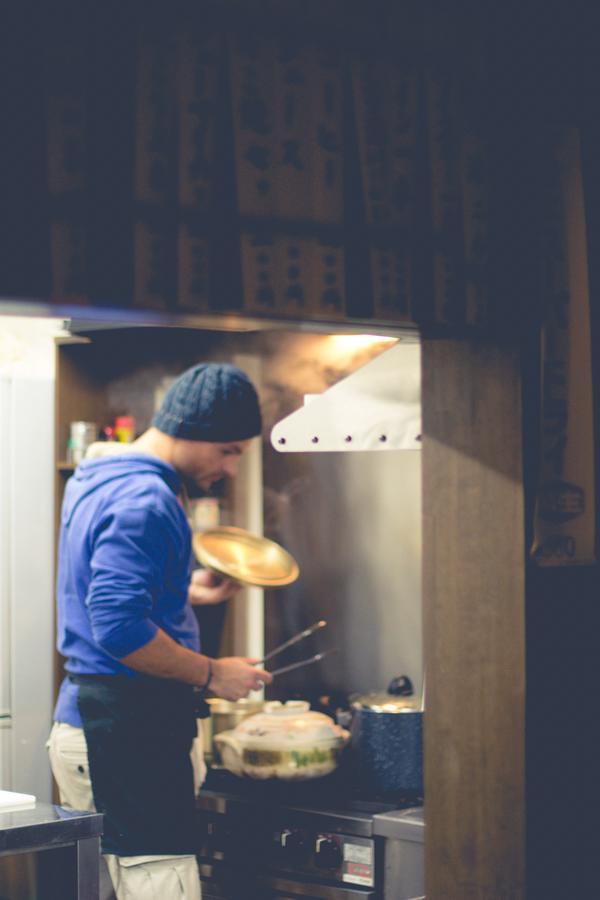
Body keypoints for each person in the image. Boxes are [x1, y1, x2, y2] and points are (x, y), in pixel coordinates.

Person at [47, 362, 273, 900]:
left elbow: (93, 588)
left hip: (96, 721)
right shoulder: (146, 500)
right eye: (230, 451)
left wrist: (183, 590)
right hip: (125, 732)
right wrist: (213, 672)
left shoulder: (99, 474)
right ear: (193, 432)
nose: (233, 469)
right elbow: (120, 628)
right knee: (161, 884)